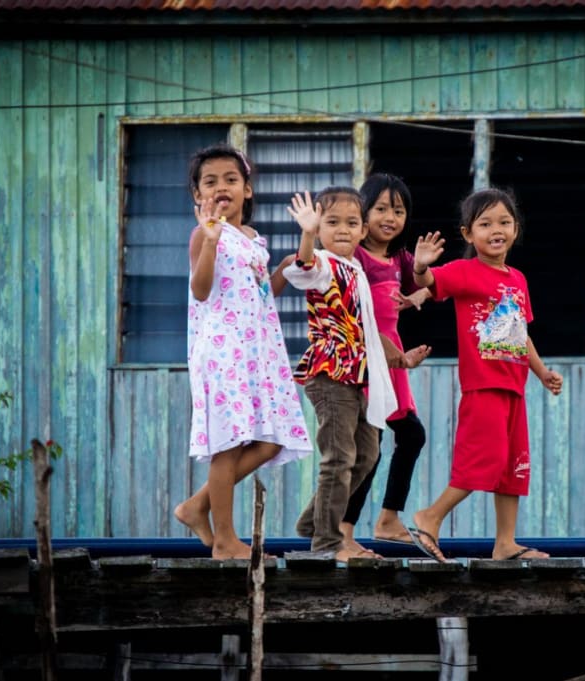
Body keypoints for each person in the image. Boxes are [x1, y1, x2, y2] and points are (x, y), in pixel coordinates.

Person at [409, 187, 563, 563]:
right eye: (485, 223)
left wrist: (541, 373)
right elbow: (430, 283)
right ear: (468, 234)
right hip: (483, 385)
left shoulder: (518, 280)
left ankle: (505, 543)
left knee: (514, 466)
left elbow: (519, 332)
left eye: (504, 222)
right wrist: (420, 268)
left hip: (515, 387)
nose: (496, 229)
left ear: (515, 229)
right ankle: (430, 516)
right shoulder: (465, 271)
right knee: (484, 460)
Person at [174, 143, 312, 560]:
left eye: (231, 180)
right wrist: (212, 241)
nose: (221, 188)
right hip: (221, 351)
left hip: (255, 353)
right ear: (197, 195)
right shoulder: (205, 233)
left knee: (271, 440)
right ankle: (225, 540)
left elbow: (256, 295)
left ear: (247, 190)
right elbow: (201, 291)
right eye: (210, 181)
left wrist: (283, 273)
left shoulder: (252, 239)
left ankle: (197, 506)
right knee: (229, 444)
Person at [282, 187, 398, 562]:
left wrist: (400, 358)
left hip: (359, 376)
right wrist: (307, 233)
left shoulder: (356, 269)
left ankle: (313, 522)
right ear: (320, 228)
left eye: (352, 223)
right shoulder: (322, 263)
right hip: (330, 374)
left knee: (367, 453)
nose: (343, 230)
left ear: (364, 230)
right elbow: (303, 269)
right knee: (339, 457)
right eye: (332, 222)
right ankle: (328, 543)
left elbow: (364, 325)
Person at [339, 174, 432, 556]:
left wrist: (419, 288)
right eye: (380, 209)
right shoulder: (356, 256)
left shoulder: (399, 260)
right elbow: (355, 313)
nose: (390, 217)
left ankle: (388, 519)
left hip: (392, 367)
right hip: (367, 363)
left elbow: (437, 285)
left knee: (410, 436)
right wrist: (392, 353)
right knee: (369, 447)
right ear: (363, 213)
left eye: (399, 210)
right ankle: (344, 530)